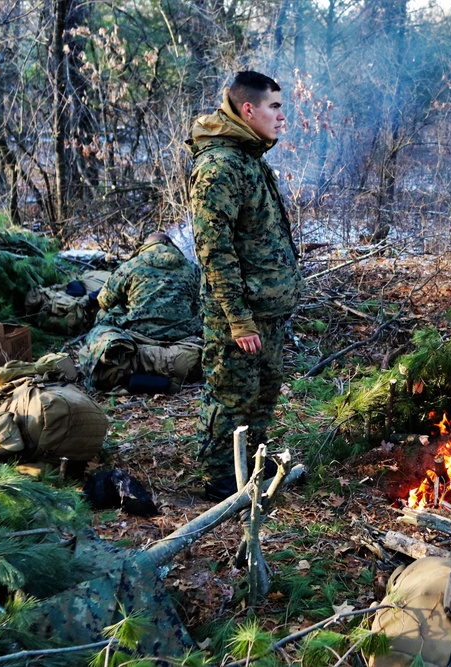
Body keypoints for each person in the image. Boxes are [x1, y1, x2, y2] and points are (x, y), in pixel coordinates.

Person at [187, 71, 302, 501]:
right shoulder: (219, 166)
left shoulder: (249, 157)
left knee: (263, 391)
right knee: (231, 394)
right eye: (274, 107)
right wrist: (237, 319)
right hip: (239, 311)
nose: (281, 116)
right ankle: (219, 478)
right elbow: (214, 250)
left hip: (265, 308)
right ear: (248, 109)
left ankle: (251, 463)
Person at [94, 232, 201, 341]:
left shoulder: (131, 265)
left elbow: (104, 300)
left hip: (137, 331)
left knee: (102, 314)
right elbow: (198, 303)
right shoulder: (193, 268)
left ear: (146, 246)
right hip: (181, 333)